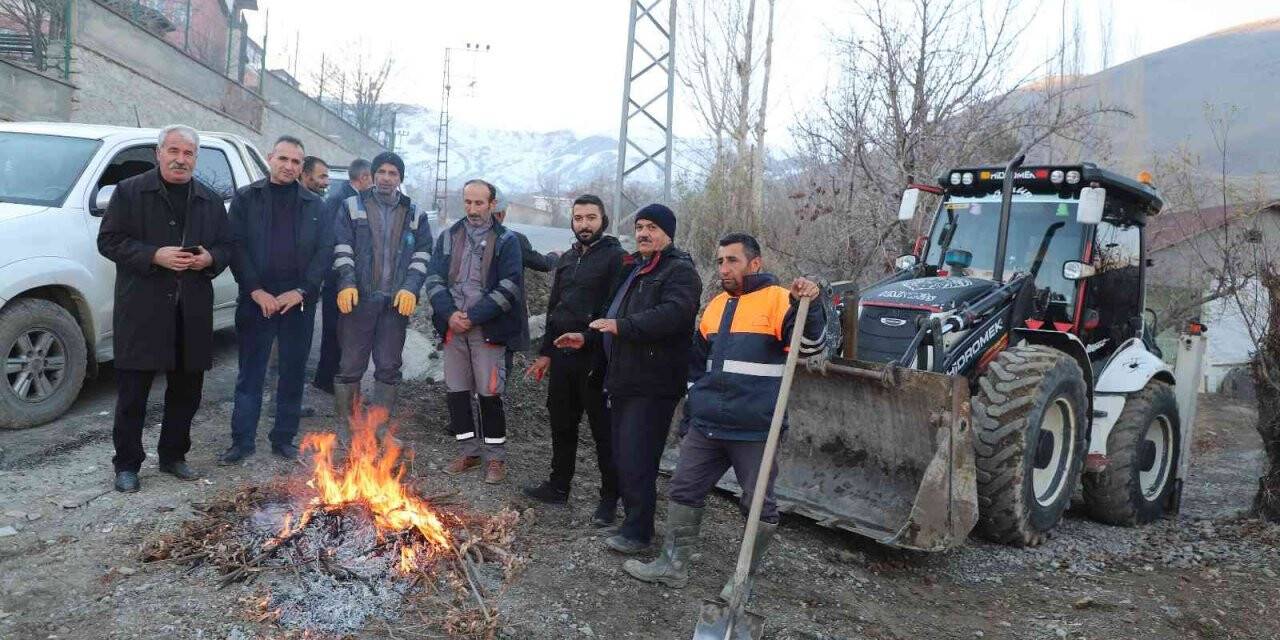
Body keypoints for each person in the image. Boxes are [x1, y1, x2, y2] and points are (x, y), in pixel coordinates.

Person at [623, 233, 825, 602]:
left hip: (755, 428)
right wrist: (691, 414)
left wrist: (812, 304)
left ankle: (743, 580)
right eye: (719, 261)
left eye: (732, 260)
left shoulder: (780, 300)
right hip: (707, 425)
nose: (723, 269)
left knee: (758, 502)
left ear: (754, 263)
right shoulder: (715, 305)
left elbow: (810, 345)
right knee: (684, 489)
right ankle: (673, 566)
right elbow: (697, 365)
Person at [553, 203, 701, 553]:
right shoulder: (636, 268)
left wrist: (621, 327)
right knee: (624, 454)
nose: (643, 233)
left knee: (638, 457)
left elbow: (672, 316)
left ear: (668, 232)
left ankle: (638, 533)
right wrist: (588, 337)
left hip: (653, 382)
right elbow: (612, 315)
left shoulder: (679, 272)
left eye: (651, 227)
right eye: (639, 226)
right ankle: (634, 523)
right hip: (624, 378)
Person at [97, 124, 234, 492]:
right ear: (159, 153)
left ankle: (173, 456)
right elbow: (108, 241)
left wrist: (210, 258)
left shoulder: (208, 198)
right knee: (133, 394)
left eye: (188, 153)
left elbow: (227, 246)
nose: (180, 159)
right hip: (142, 309)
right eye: (173, 151)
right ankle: (127, 464)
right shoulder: (130, 192)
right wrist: (153, 254)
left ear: (195, 159)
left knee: (187, 392)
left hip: (190, 311)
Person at [219, 136, 334, 464]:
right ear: (270, 158)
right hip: (257, 300)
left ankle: (283, 438)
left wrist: (301, 291)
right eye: (283, 159)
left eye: (296, 162)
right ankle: (242, 441)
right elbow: (235, 245)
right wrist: (255, 290)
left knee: (293, 371)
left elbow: (324, 253)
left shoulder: (315, 205)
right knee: (250, 373)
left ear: (302, 167)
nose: (288, 166)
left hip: (297, 301)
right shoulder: (246, 198)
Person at [522, 195, 626, 528]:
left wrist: (590, 338)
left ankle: (609, 500)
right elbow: (555, 308)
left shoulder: (616, 260)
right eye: (578, 218)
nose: (584, 224)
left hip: (597, 359)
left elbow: (617, 312)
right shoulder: (567, 259)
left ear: (603, 220)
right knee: (562, 424)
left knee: (603, 432)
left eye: (591, 217)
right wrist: (545, 354)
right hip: (562, 357)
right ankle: (558, 485)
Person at [424, 179, 524, 484]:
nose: (472, 209)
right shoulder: (448, 236)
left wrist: (473, 316)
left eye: (479, 203)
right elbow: (433, 279)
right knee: (456, 391)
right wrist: (450, 314)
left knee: (489, 393)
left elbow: (510, 286)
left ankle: (495, 458)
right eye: (467, 202)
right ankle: (468, 451)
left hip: (487, 330)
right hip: (454, 328)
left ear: (492, 204)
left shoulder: (507, 241)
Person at [331, 152, 432, 433]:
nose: (387, 178)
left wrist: (411, 287)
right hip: (359, 301)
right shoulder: (352, 206)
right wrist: (347, 282)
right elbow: (341, 246)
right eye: (382, 172)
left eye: (393, 173)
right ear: (373, 175)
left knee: (388, 367)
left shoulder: (415, 213)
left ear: (400, 178)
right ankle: (348, 432)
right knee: (350, 365)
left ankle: (378, 432)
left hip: (394, 305)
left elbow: (423, 253)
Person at [313, 158, 372, 394]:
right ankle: (327, 380)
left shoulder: (346, 196)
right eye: (373, 177)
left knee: (340, 329)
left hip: (341, 274)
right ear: (364, 177)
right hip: (337, 275)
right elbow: (334, 238)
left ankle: (328, 377)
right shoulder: (343, 200)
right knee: (334, 329)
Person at [490, 191, 556, 365]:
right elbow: (543, 264)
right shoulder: (514, 240)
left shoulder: (462, 238)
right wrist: (556, 256)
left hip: (472, 321)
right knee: (498, 377)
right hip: (505, 321)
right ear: (501, 213)